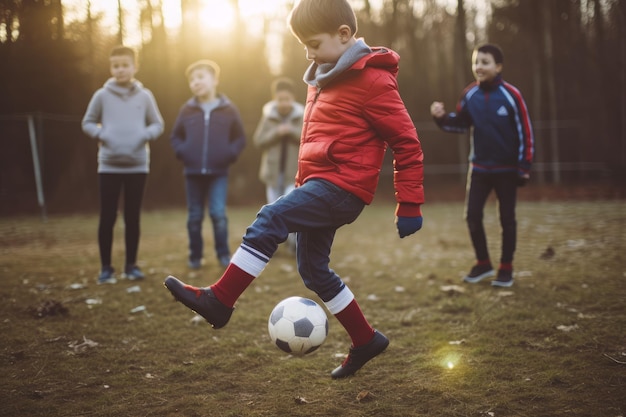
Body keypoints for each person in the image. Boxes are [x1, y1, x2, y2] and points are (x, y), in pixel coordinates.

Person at [164, 0, 424, 379]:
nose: (308, 52)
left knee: (271, 217)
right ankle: (366, 340)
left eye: (313, 43)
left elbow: (407, 142)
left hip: (343, 188)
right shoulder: (322, 75)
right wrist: (303, 184)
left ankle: (220, 299)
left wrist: (410, 202)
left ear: (344, 35)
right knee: (313, 270)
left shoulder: (373, 79)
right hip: (320, 184)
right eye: (303, 44)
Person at [430, 43, 534, 288]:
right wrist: (441, 118)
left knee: (507, 219)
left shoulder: (511, 95)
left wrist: (524, 166)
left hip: (507, 170)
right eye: (476, 62)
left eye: (485, 62)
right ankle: (483, 263)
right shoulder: (469, 95)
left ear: (498, 67)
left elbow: (525, 132)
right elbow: (461, 124)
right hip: (479, 170)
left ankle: (505, 269)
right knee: (472, 217)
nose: (479, 67)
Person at [82, 45, 164, 285]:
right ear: (111, 68)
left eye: (125, 65)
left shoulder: (145, 95)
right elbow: (87, 122)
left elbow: (158, 124)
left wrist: (143, 135)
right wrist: (102, 134)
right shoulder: (101, 95)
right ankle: (106, 268)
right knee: (107, 216)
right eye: (116, 66)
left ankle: (131, 266)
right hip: (108, 166)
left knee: (132, 217)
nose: (120, 70)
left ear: (134, 67)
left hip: (138, 166)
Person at [170, 59, 246, 269]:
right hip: (192, 172)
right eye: (192, 80)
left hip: (218, 172)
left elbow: (240, 138)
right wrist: (182, 152)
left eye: (200, 77)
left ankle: (223, 255)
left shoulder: (229, 109)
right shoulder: (186, 110)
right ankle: (195, 256)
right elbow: (175, 137)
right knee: (194, 216)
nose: (196, 82)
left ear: (215, 80)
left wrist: (229, 154)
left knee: (218, 214)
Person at [252, 76, 304, 253]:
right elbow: (258, 140)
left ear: (293, 98)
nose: (284, 103)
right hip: (272, 173)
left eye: (287, 99)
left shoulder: (301, 117)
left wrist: (291, 131)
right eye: (280, 99)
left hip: (293, 173)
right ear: (275, 99)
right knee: (273, 211)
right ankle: (271, 244)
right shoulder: (269, 117)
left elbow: (308, 139)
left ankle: (293, 243)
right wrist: (276, 132)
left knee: (291, 209)